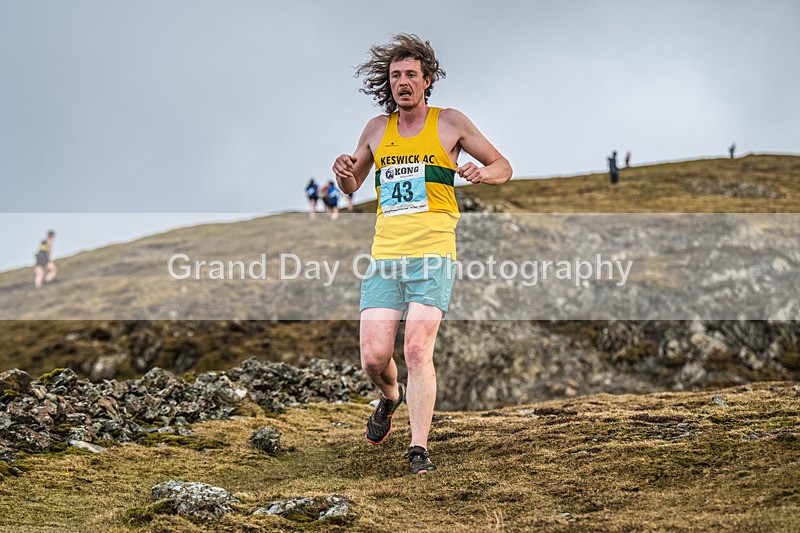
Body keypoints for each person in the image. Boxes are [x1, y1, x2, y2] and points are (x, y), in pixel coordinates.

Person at [332, 33, 512, 474]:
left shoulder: (449, 123)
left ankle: (418, 448)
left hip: (434, 252)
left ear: (427, 80)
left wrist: (482, 174)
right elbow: (353, 185)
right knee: (374, 358)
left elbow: (504, 166)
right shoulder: (377, 129)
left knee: (416, 348)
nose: (403, 82)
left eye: (411, 75)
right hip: (385, 257)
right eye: (396, 76)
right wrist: (342, 175)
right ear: (389, 83)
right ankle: (390, 397)